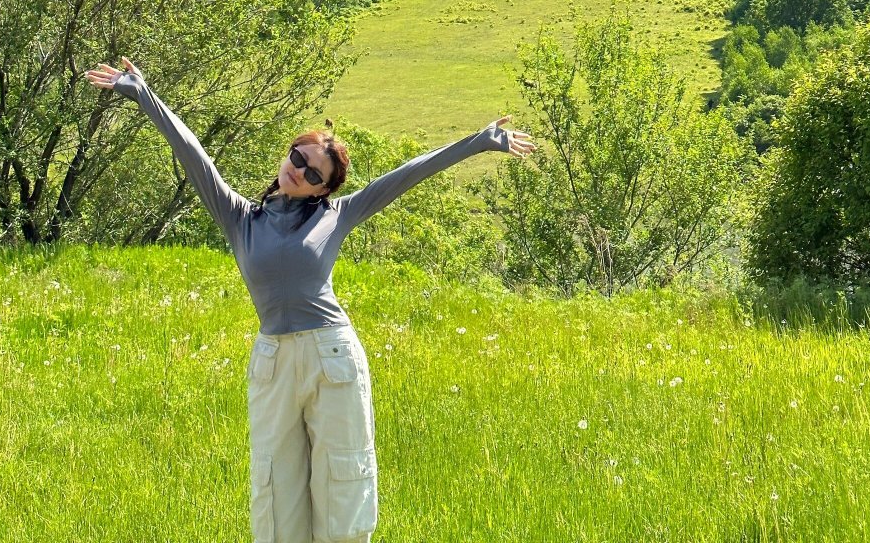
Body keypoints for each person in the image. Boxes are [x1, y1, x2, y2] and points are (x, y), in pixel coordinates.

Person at [85, 57, 535, 543]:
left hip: (331, 358)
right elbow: (194, 154)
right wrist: (142, 92)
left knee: (343, 496)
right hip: (273, 364)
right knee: (276, 506)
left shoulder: (336, 215)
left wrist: (480, 141)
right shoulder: (239, 217)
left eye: (314, 174)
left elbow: (407, 174)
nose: (299, 171)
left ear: (325, 189)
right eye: (297, 158)